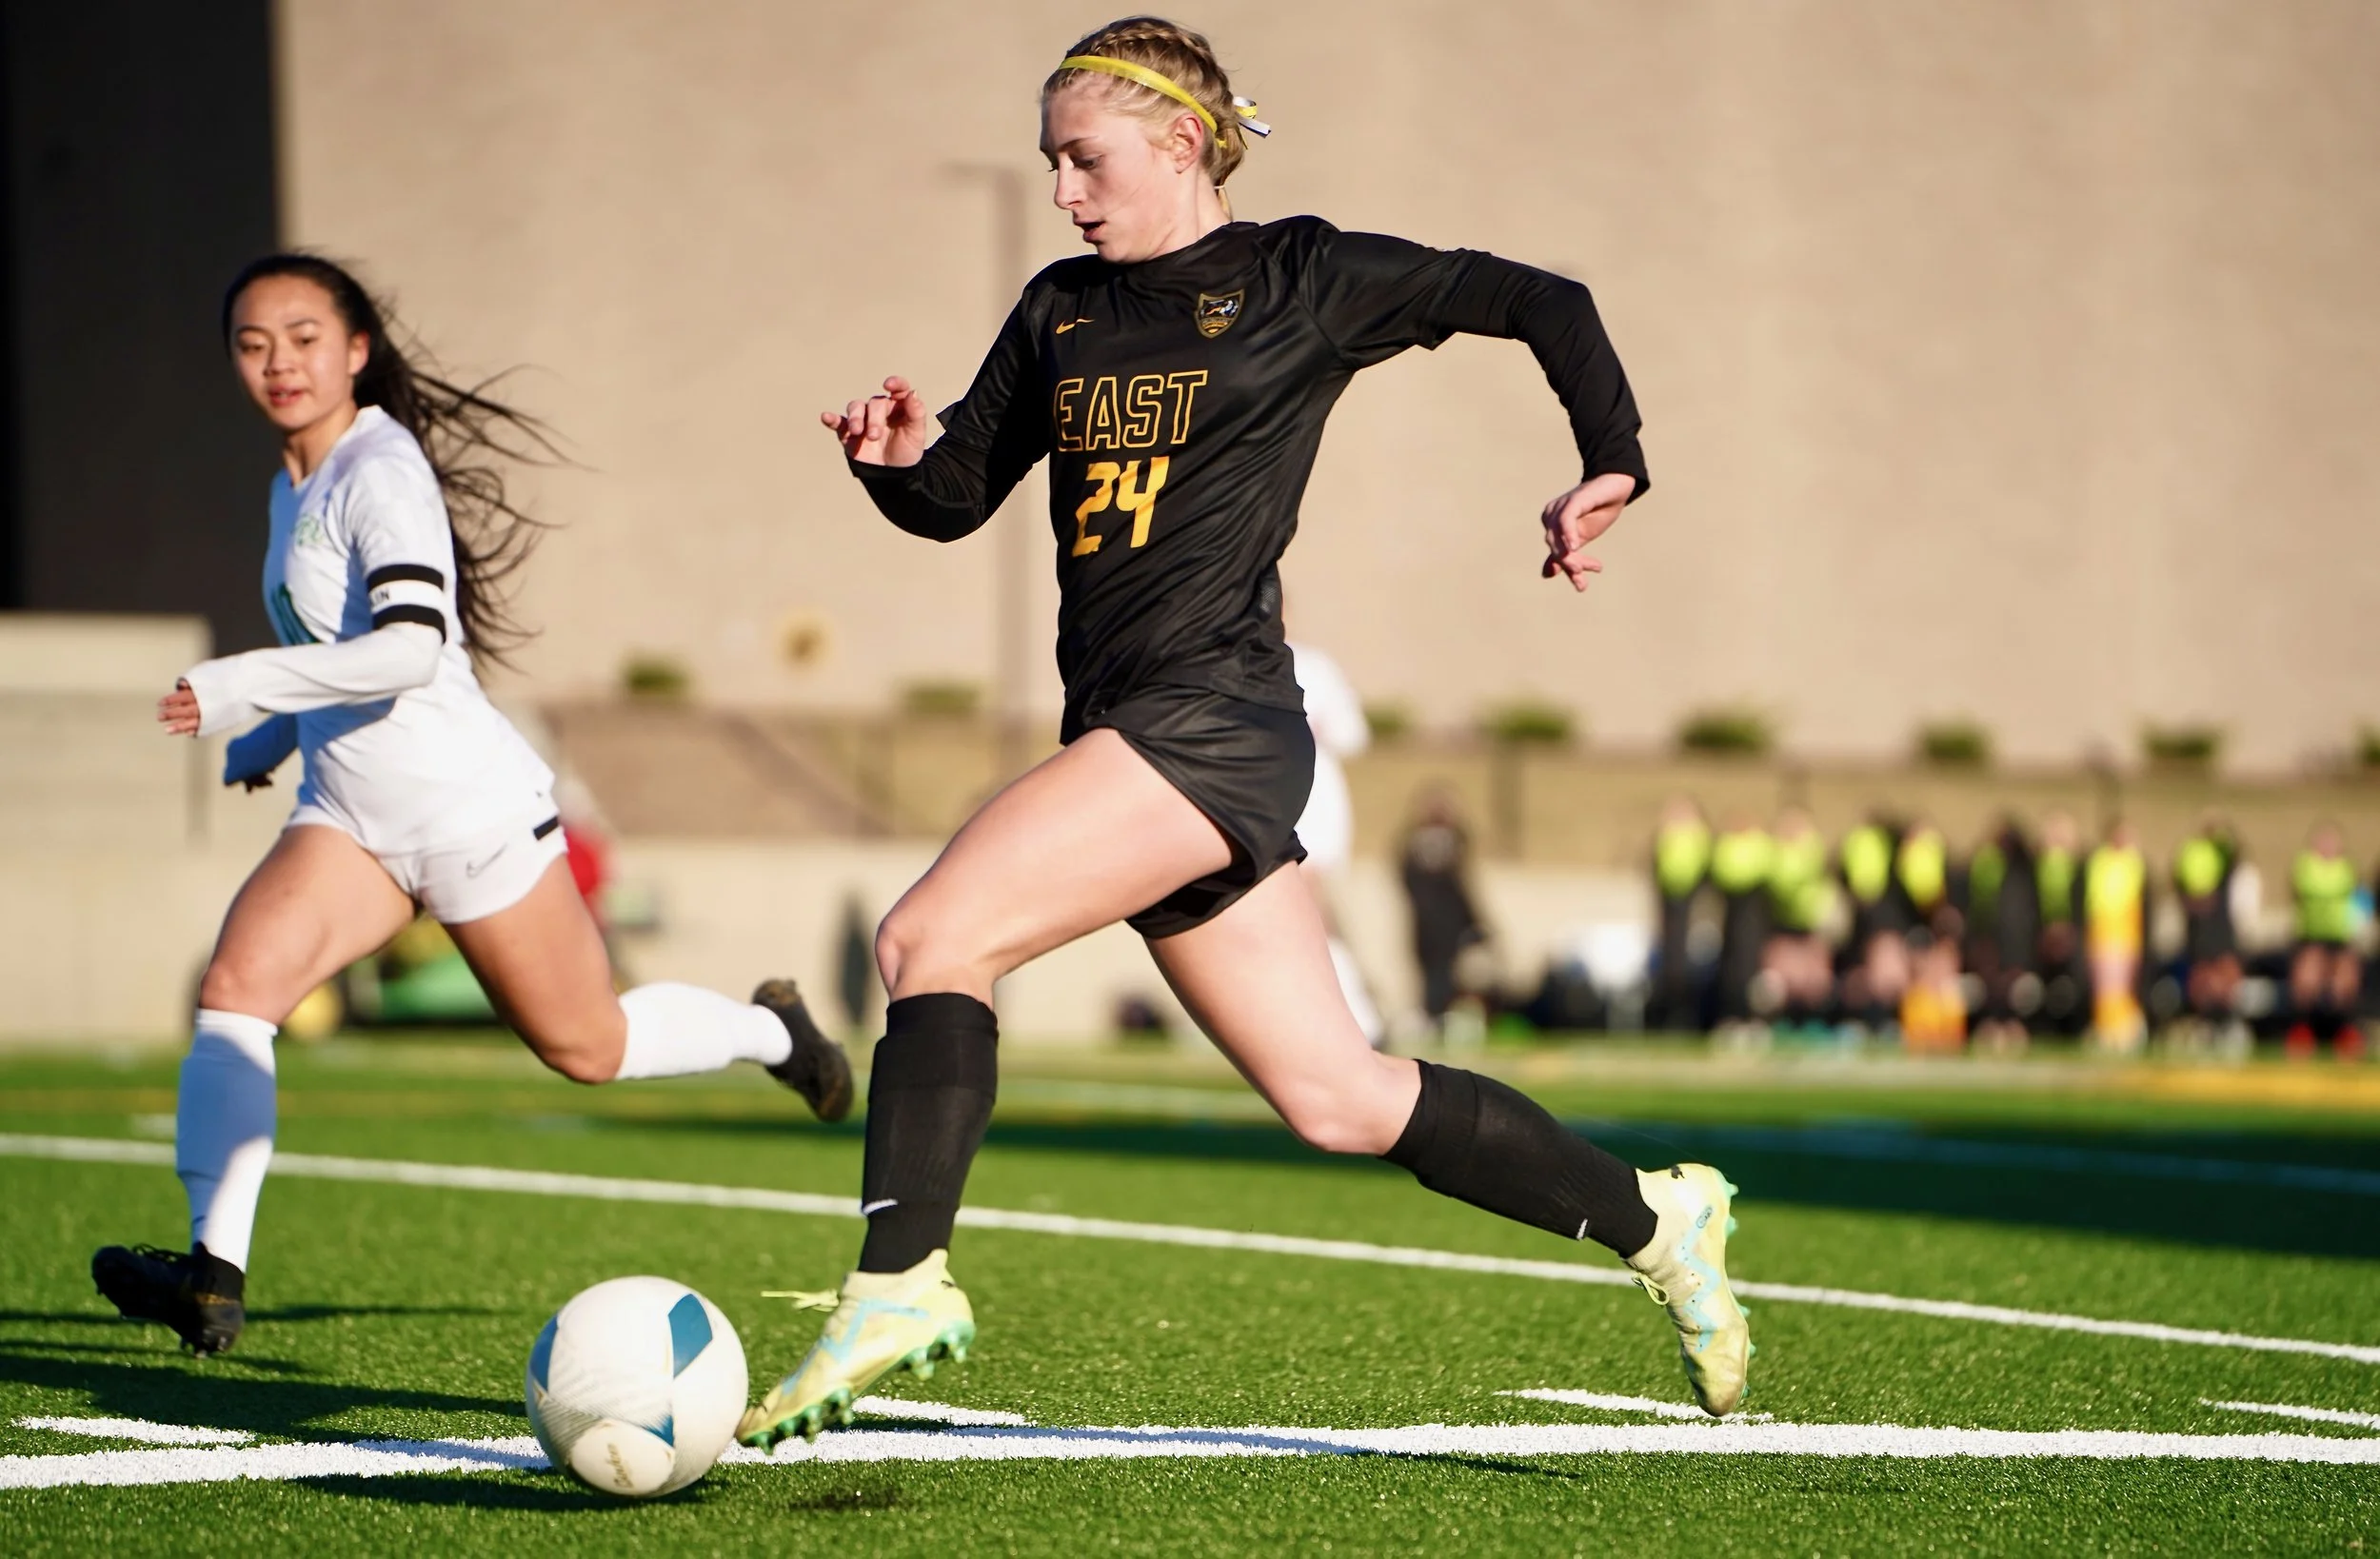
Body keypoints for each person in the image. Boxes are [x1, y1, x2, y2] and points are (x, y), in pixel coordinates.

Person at [736, 17, 1749, 1449]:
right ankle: (1660, 1218)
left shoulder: (1301, 277)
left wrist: (1612, 462)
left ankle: (898, 1284)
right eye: (1051, 165)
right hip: (1138, 731)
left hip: (1214, 721)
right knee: (1341, 1099)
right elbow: (959, 490)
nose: (1067, 192)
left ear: (1180, 140)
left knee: (925, 942)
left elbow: (1544, 296)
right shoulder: (1060, 309)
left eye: (1083, 159)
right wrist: (892, 463)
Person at [89, 255, 851, 1358]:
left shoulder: (378, 470)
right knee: (236, 992)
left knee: (586, 1047)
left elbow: (409, 647)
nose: (279, 364)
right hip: (349, 817)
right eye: (254, 345)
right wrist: (272, 735)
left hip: (467, 813)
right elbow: (332, 652)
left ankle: (767, 1031)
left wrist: (242, 687)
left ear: (355, 352)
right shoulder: (286, 487)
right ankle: (213, 1274)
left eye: (304, 338)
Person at [1288, 634, 1382, 1045]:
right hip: (1260, 804)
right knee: (1295, 916)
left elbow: (1353, 734)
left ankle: (1360, 1018)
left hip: (1311, 808)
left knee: (1310, 910)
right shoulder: (1230, 653)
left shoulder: (1314, 667)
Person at [1400, 788, 1487, 1030]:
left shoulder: (1453, 839)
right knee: (1432, 973)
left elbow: (1460, 884)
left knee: (1448, 974)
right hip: (1427, 921)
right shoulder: (1417, 841)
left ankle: (1443, 1015)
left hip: (1447, 922)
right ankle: (1433, 1016)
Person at [2287, 822, 2364, 1058]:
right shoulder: (2305, 865)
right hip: (2311, 935)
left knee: (2345, 983)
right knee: (2306, 982)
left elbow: (2350, 893)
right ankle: (2303, 1032)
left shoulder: (2346, 868)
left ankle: (2345, 1033)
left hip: (2339, 937)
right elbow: (2302, 889)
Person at [2172, 812, 2245, 1048]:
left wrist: (2222, 830)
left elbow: (2236, 852)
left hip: (2221, 927)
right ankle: (2204, 1025)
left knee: (2225, 978)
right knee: (2201, 980)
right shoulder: (2190, 852)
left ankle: (2226, 1024)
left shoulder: (2223, 855)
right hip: (2199, 929)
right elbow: (2177, 880)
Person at [1757, 807, 1833, 1032]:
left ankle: (1813, 1023)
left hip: (1809, 927)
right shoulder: (1773, 854)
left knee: (1815, 981)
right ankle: (1778, 1023)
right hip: (1781, 927)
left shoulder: (1812, 850)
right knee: (1777, 980)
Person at [1649, 797, 1712, 1032]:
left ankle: (1687, 1016)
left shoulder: (1699, 837)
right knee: (1670, 963)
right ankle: (1668, 1015)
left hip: (1691, 909)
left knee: (1687, 964)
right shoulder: (1666, 836)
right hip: (1670, 907)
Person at [2084, 818, 2148, 1051]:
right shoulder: (2101, 861)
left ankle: (2124, 1029)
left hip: (2125, 934)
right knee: (2105, 986)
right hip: (2104, 933)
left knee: (2121, 985)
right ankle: (2107, 1028)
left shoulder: (2132, 862)